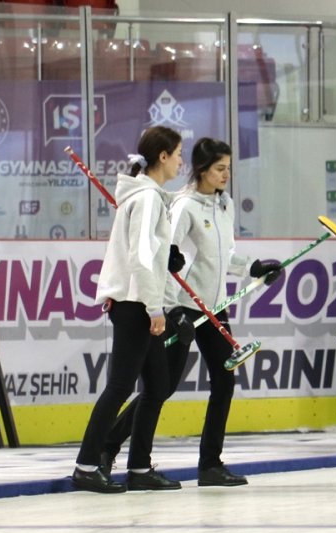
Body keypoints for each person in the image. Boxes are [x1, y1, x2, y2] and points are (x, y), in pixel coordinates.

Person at [100, 137, 282, 488]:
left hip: (214, 308)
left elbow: (224, 257)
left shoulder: (224, 206)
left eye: (229, 168)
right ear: (201, 170)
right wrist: (169, 308)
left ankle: (210, 465)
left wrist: (254, 268)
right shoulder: (183, 206)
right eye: (219, 168)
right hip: (183, 307)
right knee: (161, 388)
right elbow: (166, 262)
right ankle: (109, 447)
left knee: (225, 382)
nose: (226, 174)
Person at [72, 125, 186, 494]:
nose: (182, 161)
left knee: (157, 385)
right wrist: (154, 308)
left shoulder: (147, 196)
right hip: (137, 305)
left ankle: (139, 466)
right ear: (163, 156)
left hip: (139, 301)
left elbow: (139, 256)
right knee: (121, 386)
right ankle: (86, 464)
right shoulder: (148, 198)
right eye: (178, 153)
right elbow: (138, 257)